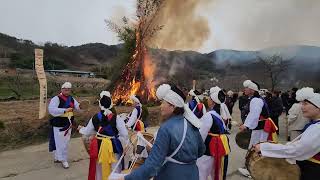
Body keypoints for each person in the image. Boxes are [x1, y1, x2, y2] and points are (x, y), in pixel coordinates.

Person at [119, 84, 205, 180]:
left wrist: (127, 178)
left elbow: (152, 166)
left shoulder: (166, 128)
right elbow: (201, 150)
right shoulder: (191, 124)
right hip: (192, 175)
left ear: (173, 106)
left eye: (163, 102)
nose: (161, 106)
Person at [255, 87, 320, 180]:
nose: (302, 106)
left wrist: (264, 147)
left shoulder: (318, 128)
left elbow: (298, 150)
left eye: (305, 104)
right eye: (302, 103)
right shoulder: (316, 124)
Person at [78, 91, 128, 180]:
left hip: (99, 147)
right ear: (111, 105)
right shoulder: (117, 118)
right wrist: (121, 142)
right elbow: (124, 134)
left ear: (100, 105)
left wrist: (80, 129)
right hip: (114, 147)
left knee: (99, 169)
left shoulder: (95, 117)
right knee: (115, 169)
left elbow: (87, 131)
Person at [238, 80, 278, 176]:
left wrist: (246, 125)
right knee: (257, 146)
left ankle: (252, 170)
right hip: (261, 125)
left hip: (261, 127)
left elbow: (254, 114)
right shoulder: (256, 98)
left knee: (255, 146)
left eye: (246, 88)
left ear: (252, 89)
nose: (244, 90)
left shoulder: (256, 100)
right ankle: (254, 168)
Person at [197, 88, 230, 180]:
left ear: (213, 102)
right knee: (214, 171)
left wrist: (195, 148)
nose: (207, 100)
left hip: (208, 149)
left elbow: (201, 135)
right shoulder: (218, 115)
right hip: (218, 148)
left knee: (201, 172)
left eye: (209, 98)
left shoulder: (209, 115)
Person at [48, 82, 81, 169]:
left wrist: (82, 107)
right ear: (61, 90)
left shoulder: (72, 98)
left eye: (68, 90)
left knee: (63, 142)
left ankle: (57, 157)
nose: (67, 91)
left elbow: (78, 107)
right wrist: (65, 110)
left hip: (68, 123)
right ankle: (63, 159)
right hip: (59, 123)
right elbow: (51, 109)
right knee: (61, 143)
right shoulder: (56, 98)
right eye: (65, 89)